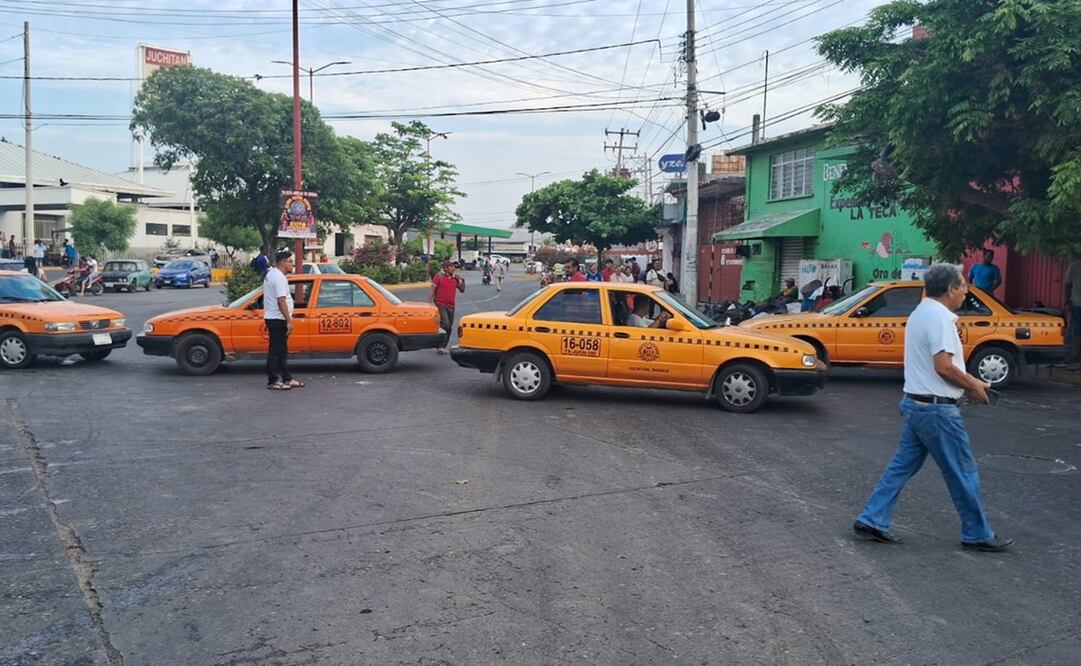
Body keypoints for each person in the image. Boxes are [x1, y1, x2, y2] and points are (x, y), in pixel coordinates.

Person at [853, 263, 1012, 552]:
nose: (966, 290)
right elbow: (942, 367)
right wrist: (973, 386)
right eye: (963, 284)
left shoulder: (920, 313)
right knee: (962, 470)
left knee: (902, 467)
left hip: (916, 404)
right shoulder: (940, 318)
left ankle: (872, 518)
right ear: (950, 288)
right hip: (937, 411)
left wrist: (971, 380)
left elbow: (937, 365)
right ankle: (977, 534)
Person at [264, 250, 303, 390]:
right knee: (275, 351)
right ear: (282, 263)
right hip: (277, 319)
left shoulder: (272, 274)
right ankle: (273, 381)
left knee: (281, 350)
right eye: (290, 261)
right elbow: (281, 301)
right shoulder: (279, 278)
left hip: (275, 318)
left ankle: (287, 378)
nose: (292, 264)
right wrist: (289, 321)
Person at [431, 260, 465, 355]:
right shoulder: (439, 276)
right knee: (445, 324)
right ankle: (440, 346)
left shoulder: (455, 278)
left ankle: (443, 345)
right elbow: (432, 290)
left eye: (453, 267)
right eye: (450, 267)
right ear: (445, 268)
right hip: (440, 303)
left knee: (449, 327)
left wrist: (462, 281)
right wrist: (428, 303)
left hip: (451, 305)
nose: (453, 268)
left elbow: (462, 290)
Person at [1066, 252, 1081, 369]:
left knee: (1076, 329)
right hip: (1076, 302)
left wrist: (1066, 301)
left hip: (1076, 302)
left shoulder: (1073, 266)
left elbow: (1068, 285)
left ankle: (1076, 355)